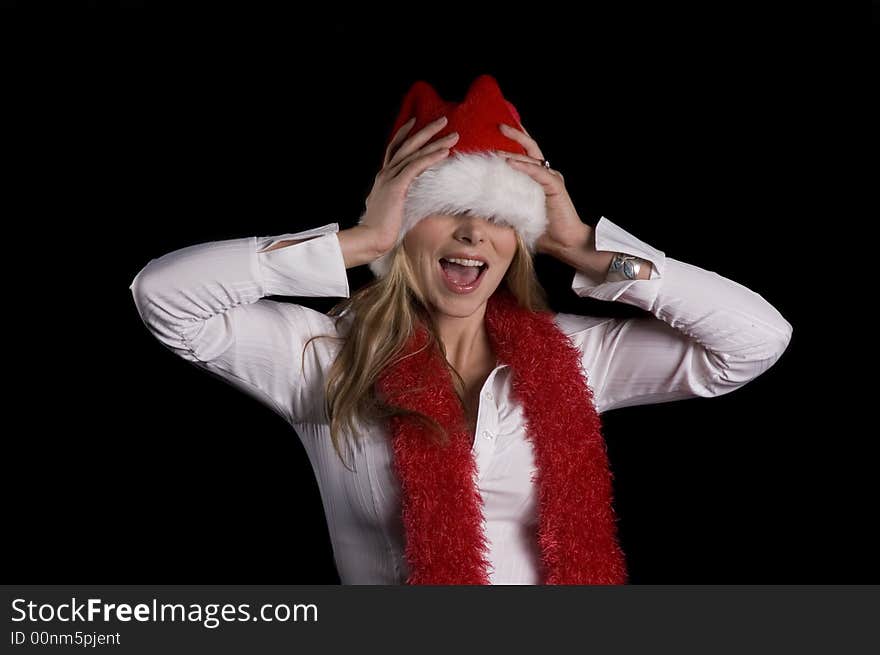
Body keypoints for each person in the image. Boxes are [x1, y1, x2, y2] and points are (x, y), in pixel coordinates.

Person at [129, 74, 793, 585]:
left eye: (497, 215)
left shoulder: (577, 354)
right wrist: (356, 241)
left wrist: (587, 246)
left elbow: (754, 339)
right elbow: (164, 295)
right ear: (402, 226)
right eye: (446, 209)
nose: (474, 232)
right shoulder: (323, 359)